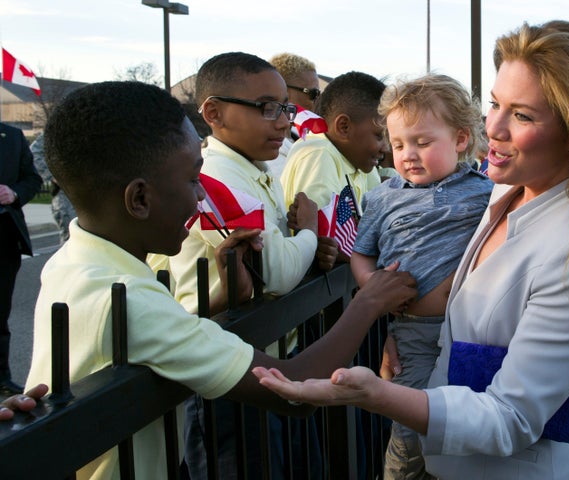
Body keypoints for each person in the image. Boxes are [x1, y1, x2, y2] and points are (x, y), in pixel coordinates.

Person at [253, 19, 569, 479]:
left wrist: (374, 394)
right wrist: (412, 331)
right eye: (495, 104)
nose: (491, 127)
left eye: (522, 115)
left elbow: (511, 417)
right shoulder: (502, 192)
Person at [24, 80, 417, 480]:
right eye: (193, 179)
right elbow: (291, 389)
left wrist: (217, 301)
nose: (200, 197)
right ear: (139, 199)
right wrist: (369, 302)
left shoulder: (72, 264)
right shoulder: (126, 298)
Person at [168, 51, 336, 480]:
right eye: (267, 108)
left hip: (270, 356)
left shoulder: (254, 170)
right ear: (214, 112)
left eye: (286, 108)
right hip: (227, 376)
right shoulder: (216, 178)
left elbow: (283, 259)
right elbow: (277, 271)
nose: (283, 122)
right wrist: (310, 234)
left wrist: (308, 247)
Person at [350, 73, 493, 478]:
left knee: (464, 425)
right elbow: (361, 255)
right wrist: (372, 289)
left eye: (422, 142)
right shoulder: (382, 197)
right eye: (397, 144)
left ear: (461, 139)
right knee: (411, 425)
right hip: (415, 331)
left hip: (473, 329)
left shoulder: (486, 192)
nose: (408, 153)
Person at [280, 70, 387, 242]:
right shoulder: (318, 154)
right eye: (380, 136)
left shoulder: (360, 163)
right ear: (344, 127)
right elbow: (323, 240)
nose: (386, 148)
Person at [0, 122, 42, 396]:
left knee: (0, 313)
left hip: (4, 239)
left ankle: (2, 377)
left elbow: (33, 180)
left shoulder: (13, 137)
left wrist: (14, 193)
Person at [263, 52, 322, 179]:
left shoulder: (298, 137)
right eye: (313, 93)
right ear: (284, 91)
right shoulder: (269, 148)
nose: (318, 100)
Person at [30, 131, 77, 245]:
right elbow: (34, 152)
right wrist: (54, 176)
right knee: (71, 242)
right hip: (67, 196)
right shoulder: (61, 127)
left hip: (94, 195)